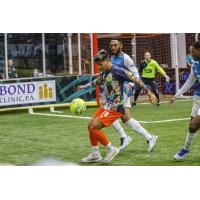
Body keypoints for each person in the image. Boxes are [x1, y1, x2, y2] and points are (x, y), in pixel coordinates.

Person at [81, 50, 158, 163]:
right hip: (107, 105)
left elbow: (135, 79)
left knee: (94, 127)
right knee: (90, 126)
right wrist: (84, 86)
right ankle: (95, 154)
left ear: (107, 61)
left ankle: (111, 149)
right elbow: (96, 82)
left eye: (101, 64)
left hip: (116, 106)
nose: (99, 67)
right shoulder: (104, 73)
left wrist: (149, 93)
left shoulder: (118, 70)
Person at [170, 41, 200, 160]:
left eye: (193, 52)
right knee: (192, 127)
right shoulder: (195, 65)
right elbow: (189, 82)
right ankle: (185, 150)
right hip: (197, 98)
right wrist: (176, 95)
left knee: (193, 125)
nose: (191, 54)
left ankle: (184, 150)